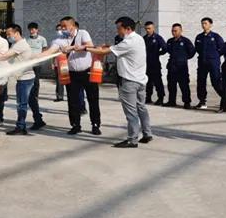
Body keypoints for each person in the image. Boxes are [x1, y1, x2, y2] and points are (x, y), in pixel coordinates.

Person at [85, 17, 152, 148]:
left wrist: (85, 48)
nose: (117, 31)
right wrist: (108, 47)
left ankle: (132, 140)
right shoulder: (138, 39)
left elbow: (103, 52)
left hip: (129, 82)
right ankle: (147, 133)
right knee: (141, 108)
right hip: (140, 81)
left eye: (119, 28)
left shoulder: (128, 42)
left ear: (127, 29)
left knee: (131, 112)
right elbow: (115, 48)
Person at [0, 24, 52, 135]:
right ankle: (39, 121)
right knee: (31, 101)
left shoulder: (19, 45)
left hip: (24, 79)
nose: (8, 36)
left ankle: (21, 127)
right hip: (29, 77)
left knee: (21, 104)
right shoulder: (18, 44)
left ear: (16, 33)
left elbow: (6, 56)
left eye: (9, 34)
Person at [56, 16, 101, 135]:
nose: (63, 29)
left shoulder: (82, 33)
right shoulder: (61, 38)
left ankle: (95, 124)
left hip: (87, 72)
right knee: (73, 100)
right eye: (61, 26)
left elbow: (90, 46)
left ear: (73, 26)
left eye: (65, 26)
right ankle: (75, 125)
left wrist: (74, 47)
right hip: (71, 73)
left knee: (93, 99)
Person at [163, 23, 196, 109]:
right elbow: (168, 51)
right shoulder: (170, 41)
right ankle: (171, 101)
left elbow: (192, 52)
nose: (173, 32)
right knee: (171, 85)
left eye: (175, 31)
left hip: (182, 67)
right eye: (172, 31)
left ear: (181, 31)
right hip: (172, 66)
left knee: (184, 85)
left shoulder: (185, 41)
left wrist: (184, 58)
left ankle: (187, 102)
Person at [194, 17, 224, 109]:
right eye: (202, 23)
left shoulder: (216, 36)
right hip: (202, 62)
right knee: (201, 82)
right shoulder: (199, 37)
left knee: (216, 81)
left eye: (205, 23)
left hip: (213, 62)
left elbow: (222, 49)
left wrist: (214, 56)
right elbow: (198, 49)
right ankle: (202, 101)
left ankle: (224, 98)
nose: (203, 25)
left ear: (210, 24)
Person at [26, 22, 48, 126]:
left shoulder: (42, 39)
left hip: (37, 65)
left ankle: (35, 94)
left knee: (36, 82)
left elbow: (45, 50)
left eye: (34, 29)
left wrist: (40, 57)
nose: (32, 31)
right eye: (30, 29)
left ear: (37, 30)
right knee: (31, 84)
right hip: (28, 65)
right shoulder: (26, 40)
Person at [143, 21, 166, 105]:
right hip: (146, 64)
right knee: (148, 82)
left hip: (155, 64)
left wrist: (158, 54)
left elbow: (165, 48)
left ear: (153, 28)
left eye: (149, 28)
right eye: (146, 29)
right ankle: (148, 97)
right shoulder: (144, 38)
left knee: (158, 82)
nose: (147, 30)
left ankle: (160, 98)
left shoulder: (158, 38)